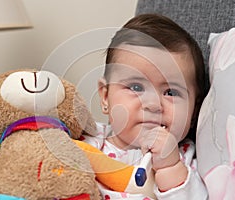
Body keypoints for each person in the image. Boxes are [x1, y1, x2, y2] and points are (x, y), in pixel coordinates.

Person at [82, 13, 208, 199]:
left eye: (171, 92)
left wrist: (169, 167)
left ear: (194, 111)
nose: (153, 105)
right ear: (106, 97)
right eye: (136, 87)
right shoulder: (90, 141)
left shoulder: (184, 159)